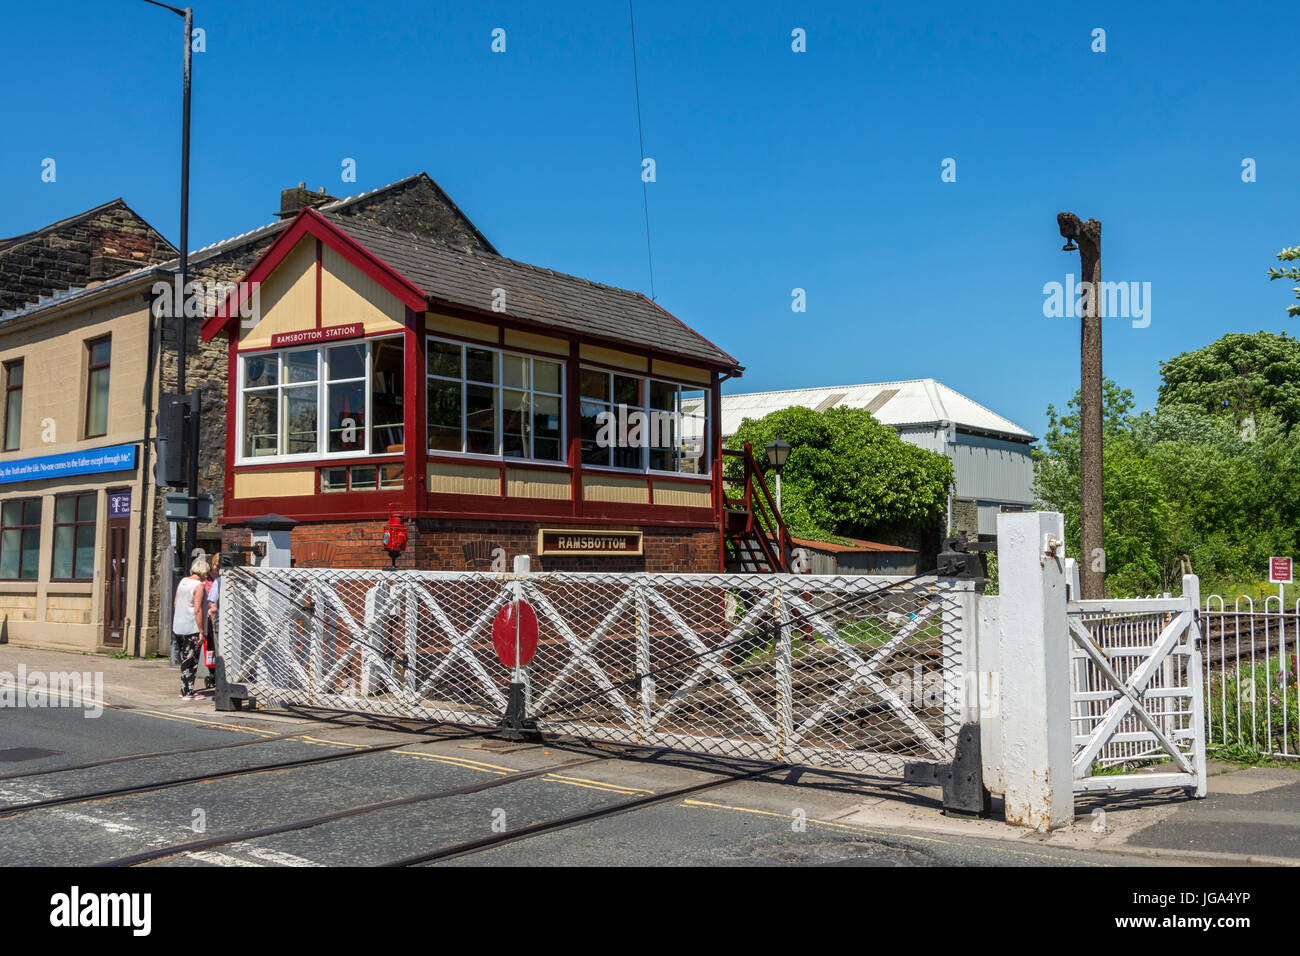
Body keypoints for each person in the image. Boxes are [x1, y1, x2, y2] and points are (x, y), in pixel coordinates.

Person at [173, 557, 208, 700]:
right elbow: (198, 610)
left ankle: (184, 690)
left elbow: (175, 603)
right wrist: (201, 631)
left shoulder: (183, 581)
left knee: (184, 659)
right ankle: (188, 692)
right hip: (191, 626)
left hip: (178, 625)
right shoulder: (199, 585)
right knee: (191, 660)